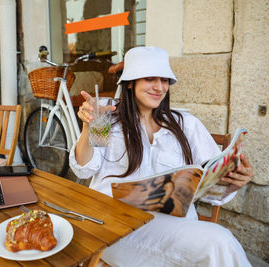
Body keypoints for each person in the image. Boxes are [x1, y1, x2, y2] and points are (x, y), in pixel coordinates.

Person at [69, 46, 253, 266]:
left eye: (164, 79)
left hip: (175, 227)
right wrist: (88, 127)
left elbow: (211, 184)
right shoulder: (107, 118)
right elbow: (84, 168)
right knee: (218, 242)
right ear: (130, 83)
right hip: (115, 225)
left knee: (218, 242)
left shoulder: (186, 125)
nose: (159, 87)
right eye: (149, 79)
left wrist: (233, 179)